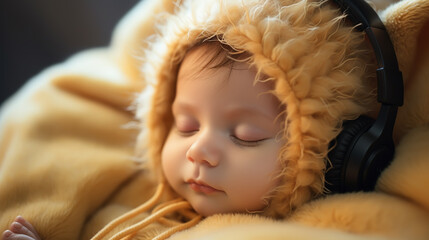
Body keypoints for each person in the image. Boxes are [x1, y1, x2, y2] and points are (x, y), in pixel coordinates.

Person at [2, 0, 377, 239]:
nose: (199, 151)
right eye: (185, 126)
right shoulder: (129, 200)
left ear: (321, 151)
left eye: (245, 136)